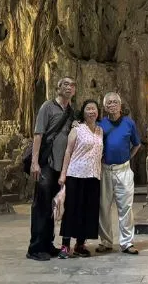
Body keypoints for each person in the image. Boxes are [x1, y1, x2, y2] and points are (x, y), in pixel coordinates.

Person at [27, 77, 76, 261]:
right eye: (66, 84)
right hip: (46, 163)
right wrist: (35, 162)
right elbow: (38, 134)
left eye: (72, 85)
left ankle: (47, 244)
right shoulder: (47, 107)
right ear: (58, 88)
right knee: (41, 206)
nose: (69, 88)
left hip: (60, 166)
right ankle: (35, 248)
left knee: (52, 207)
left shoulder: (71, 111)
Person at [57, 99, 104, 259]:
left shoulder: (100, 130)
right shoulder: (77, 129)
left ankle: (80, 244)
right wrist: (63, 174)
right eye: (88, 109)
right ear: (83, 112)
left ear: (98, 112)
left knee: (88, 211)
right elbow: (68, 152)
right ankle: (65, 245)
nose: (91, 111)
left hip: (93, 175)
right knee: (71, 210)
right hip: (76, 174)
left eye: (94, 109)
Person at [97, 92, 142, 255]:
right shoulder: (100, 125)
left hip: (123, 170)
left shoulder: (129, 123)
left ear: (120, 105)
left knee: (126, 208)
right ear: (104, 106)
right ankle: (106, 241)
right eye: (109, 102)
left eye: (115, 102)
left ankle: (127, 243)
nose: (112, 105)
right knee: (104, 207)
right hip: (105, 170)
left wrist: (127, 157)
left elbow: (136, 144)